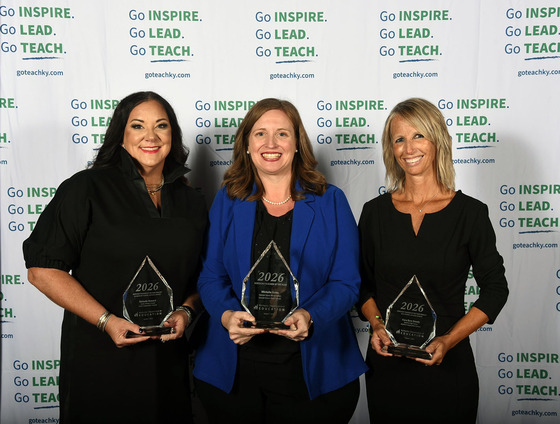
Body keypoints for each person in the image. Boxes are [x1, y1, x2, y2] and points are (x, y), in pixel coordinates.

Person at [22, 91, 207, 424]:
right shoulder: (86, 188)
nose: (150, 136)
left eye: (161, 126)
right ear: (121, 136)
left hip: (167, 359)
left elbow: (205, 276)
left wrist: (186, 310)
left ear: (172, 137)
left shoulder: (190, 200)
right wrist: (106, 321)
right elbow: (42, 269)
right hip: (101, 355)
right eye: (138, 126)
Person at [193, 98, 367, 424]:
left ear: (297, 144)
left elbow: (346, 283)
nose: (271, 144)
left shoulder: (331, 201)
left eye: (282, 134)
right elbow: (211, 277)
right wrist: (228, 315)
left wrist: (310, 315)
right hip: (236, 367)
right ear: (246, 144)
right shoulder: (228, 200)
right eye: (260, 134)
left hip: (312, 367)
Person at [358, 97, 509, 423]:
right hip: (387, 368)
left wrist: (448, 340)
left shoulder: (470, 213)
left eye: (418, 136)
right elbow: (361, 285)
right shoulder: (374, 213)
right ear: (391, 148)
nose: (408, 147)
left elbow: (496, 289)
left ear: (437, 140)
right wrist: (377, 324)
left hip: (448, 366)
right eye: (399, 139)